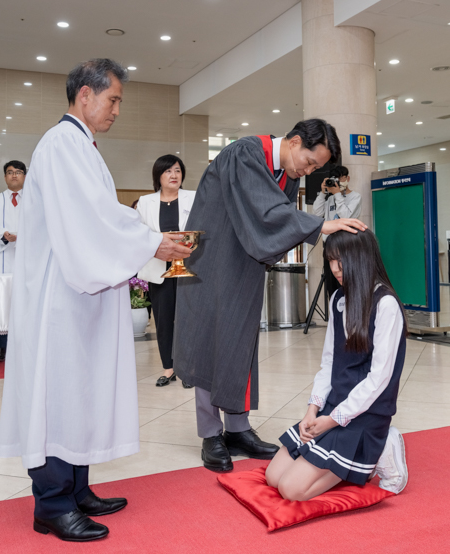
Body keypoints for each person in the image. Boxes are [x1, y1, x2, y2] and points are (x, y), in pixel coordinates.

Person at [0, 58, 192, 543]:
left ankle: (77, 489)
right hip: (59, 299)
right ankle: (52, 504)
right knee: (59, 392)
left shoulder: (80, 145)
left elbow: (100, 216)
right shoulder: (63, 143)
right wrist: (151, 241)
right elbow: (94, 219)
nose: (117, 110)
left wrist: (146, 241)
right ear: (85, 94)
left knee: (78, 391)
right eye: (113, 100)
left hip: (78, 295)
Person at [173, 120, 367, 473]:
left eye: (314, 168)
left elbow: (269, 225)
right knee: (209, 343)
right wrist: (319, 225)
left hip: (244, 265)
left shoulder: (286, 173)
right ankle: (211, 433)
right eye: (308, 162)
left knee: (240, 343)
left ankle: (237, 428)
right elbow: (266, 213)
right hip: (214, 263)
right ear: (294, 142)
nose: (307, 171)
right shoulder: (245, 152)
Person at [266, 228, 408, 501]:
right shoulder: (337, 300)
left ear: (362, 258)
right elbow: (329, 363)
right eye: (330, 260)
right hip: (334, 408)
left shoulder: (385, 304)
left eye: (341, 261)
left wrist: (332, 421)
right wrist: (312, 410)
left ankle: (378, 450)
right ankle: (355, 462)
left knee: (292, 490)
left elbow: (379, 379)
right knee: (273, 477)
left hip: (366, 413)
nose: (335, 269)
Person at [136, 155, 195, 388]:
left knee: (188, 320)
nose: (174, 175)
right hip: (158, 267)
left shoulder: (194, 197)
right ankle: (168, 368)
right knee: (163, 321)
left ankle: (189, 368)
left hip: (188, 267)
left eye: (178, 171)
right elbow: (139, 234)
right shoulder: (145, 202)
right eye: (168, 171)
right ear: (158, 176)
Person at [0, 161, 26, 361]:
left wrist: (23, 236)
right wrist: (4, 235)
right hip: (2, 257)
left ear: (25, 176)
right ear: (4, 177)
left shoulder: (35, 200)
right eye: (10, 172)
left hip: (27, 258)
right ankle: (2, 347)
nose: (14, 175)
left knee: (26, 301)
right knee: (2, 302)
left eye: (18, 172)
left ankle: (26, 345)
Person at [313, 165, 362, 300]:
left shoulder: (355, 197)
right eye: (336, 179)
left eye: (342, 178)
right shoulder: (330, 199)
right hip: (329, 245)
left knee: (348, 282)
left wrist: (337, 195)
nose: (339, 182)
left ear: (348, 178)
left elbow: (345, 216)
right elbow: (317, 213)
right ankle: (335, 314)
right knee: (332, 285)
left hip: (346, 246)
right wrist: (323, 193)